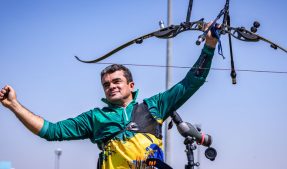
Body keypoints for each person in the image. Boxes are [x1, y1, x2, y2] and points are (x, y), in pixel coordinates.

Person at [0, 22, 218, 169]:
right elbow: (51, 131)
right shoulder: (95, 118)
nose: (111, 86)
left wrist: (209, 46)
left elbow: (192, 82)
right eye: (106, 84)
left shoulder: (155, 106)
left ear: (131, 85)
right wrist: (14, 105)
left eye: (117, 81)